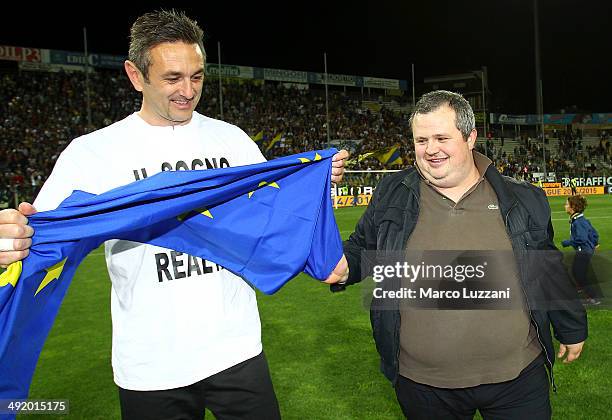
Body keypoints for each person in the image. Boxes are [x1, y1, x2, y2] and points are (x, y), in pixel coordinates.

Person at [0, 10, 348, 419]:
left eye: (197, 76)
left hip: (236, 351)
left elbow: (270, 215)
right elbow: (39, 234)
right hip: (151, 367)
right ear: (135, 75)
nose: (188, 91)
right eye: (172, 78)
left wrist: (314, 181)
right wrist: (10, 238)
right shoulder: (91, 154)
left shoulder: (231, 140)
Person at [329, 90, 587, 419]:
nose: (430, 149)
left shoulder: (522, 198)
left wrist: (571, 327)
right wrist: (339, 267)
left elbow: (547, 268)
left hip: (518, 378)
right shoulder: (392, 193)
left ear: (470, 138)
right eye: (421, 140)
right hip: (423, 386)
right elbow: (360, 249)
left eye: (441, 137)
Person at [562, 195, 602, 305]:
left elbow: (582, 238)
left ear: (573, 207)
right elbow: (594, 232)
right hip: (585, 251)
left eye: (566, 204)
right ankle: (581, 290)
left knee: (579, 274)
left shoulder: (578, 222)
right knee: (576, 271)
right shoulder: (580, 219)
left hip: (583, 252)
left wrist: (567, 242)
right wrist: (595, 242)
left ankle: (594, 297)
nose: (565, 206)